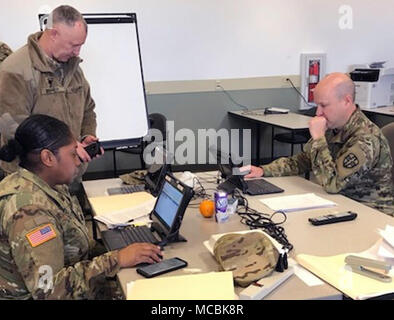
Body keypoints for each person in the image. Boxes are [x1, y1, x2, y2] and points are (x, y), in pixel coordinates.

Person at [0, 114, 162, 299]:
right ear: (48, 157)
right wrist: (117, 259)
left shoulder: (49, 185)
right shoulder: (30, 212)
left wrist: (121, 250)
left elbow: (74, 246)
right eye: (73, 154)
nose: (78, 161)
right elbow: (49, 291)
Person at [243, 73, 393, 216]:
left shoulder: (366, 138)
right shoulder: (333, 126)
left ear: (347, 101)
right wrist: (263, 170)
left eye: (324, 105)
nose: (318, 112)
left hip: (371, 214)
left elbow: (333, 183)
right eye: (317, 105)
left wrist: (319, 138)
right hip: (341, 204)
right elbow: (302, 161)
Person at [0, 5, 101, 176]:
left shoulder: (73, 69)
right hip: (32, 183)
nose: (77, 52)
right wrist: (69, 146)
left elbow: (88, 109)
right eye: (73, 45)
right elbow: (15, 128)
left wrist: (86, 136)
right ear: (53, 34)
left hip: (68, 176)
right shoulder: (15, 70)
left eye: (81, 45)